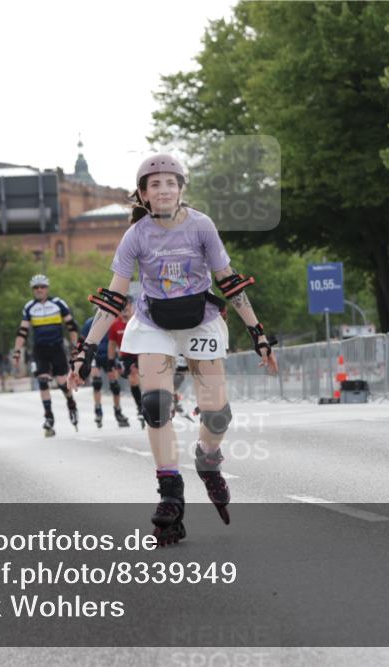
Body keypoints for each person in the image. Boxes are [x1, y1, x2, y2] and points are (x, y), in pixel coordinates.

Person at [68, 153, 278, 546]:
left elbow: (229, 281)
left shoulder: (202, 226)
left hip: (199, 318)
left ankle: (208, 460)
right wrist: (86, 350)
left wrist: (258, 333)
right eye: (154, 185)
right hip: (153, 323)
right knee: (156, 406)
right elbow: (113, 297)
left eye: (170, 183)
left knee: (217, 414)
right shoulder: (136, 235)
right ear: (144, 196)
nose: (163, 190)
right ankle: (170, 494)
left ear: (181, 189)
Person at [14, 274, 81, 437]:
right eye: (36, 288)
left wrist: (75, 347)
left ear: (47, 288)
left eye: (42, 287)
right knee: (42, 381)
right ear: (33, 290)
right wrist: (16, 351)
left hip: (57, 347)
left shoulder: (58, 303)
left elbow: (72, 326)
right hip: (39, 349)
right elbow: (22, 331)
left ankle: (71, 404)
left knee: (61, 382)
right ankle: (49, 417)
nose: (39, 290)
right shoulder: (29, 307)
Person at [80, 313, 129, 428]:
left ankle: (118, 411)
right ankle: (98, 410)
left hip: (109, 355)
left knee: (114, 385)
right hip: (94, 355)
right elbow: (82, 340)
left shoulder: (112, 322)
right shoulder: (89, 322)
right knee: (96, 382)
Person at [106, 301, 144, 428]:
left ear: (131, 307)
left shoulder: (138, 321)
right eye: (121, 309)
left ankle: (149, 402)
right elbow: (111, 344)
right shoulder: (115, 325)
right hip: (126, 356)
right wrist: (110, 360)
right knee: (133, 380)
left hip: (141, 353)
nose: (124, 311)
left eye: (126, 308)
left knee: (140, 379)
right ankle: (140, 407)